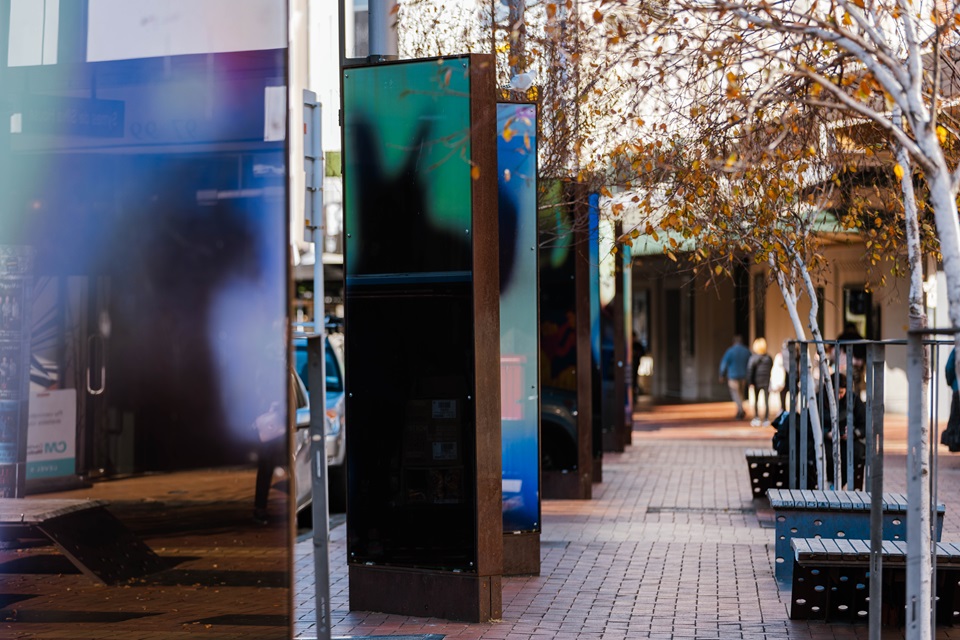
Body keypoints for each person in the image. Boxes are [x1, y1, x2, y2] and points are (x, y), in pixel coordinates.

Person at [719, 335, 752, 420]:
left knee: (736, 394)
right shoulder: (746, 351)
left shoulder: (730, 351)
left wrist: (722, 374)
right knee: (740, 393)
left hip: (733, 376)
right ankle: (740, 410)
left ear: (734, 342)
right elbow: (751, 363)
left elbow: (724, 363)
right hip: (743, 376)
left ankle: (740, 410)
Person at [748, 337, 774, 426]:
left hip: (756, 382)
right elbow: (771, 367)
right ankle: (766, 419)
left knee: (756, 400)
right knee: (767, 401)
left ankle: (756, 417)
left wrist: (750, 381)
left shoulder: (753, 358)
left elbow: (750, 370)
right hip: (766, 381)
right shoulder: (768, 358)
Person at [942, 348, 960, 452]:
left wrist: (952, 383)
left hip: (958, 389)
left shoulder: (958, 348)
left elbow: (949, 367)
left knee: (955, 421)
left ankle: (955, 440)